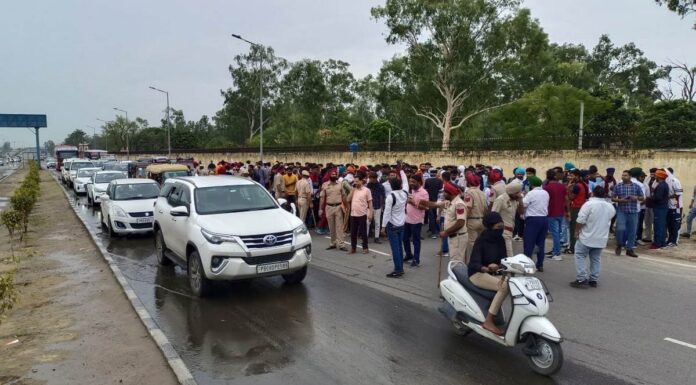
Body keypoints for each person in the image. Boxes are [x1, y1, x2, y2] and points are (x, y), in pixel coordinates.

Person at [468, 212, 509, 335]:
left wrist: (500, 265)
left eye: (502, 227)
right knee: (504, 286)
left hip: (494, 273)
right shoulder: (481, 241)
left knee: (514, 283)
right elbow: (474, 263)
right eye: (498, 227)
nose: (500, 230)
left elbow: (504, 259)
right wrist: (485, 268)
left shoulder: (500, 239)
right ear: (490, 227)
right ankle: (489, 321)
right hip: (477, 274)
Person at [570, 186, 616, 288]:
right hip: (601, 237)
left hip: (587, 236)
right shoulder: (610, 207)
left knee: (580, 255)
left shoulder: (588, 204)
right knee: (595, 258)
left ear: (593, 193)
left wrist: (576, 232)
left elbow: (580, 220)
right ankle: (593, 279)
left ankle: (581, 278)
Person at [420, 182, 467, 264]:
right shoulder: (449, 202)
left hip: (458, 237)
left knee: (456, 263)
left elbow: (461, 222)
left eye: (445, 192)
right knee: (454, 261)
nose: (443, 194)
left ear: (450, 193)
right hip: (453, 237)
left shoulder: (459, 204)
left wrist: (446, 232)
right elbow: (435, 204)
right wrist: (423, 202)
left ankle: (456, 276)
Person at [612, 170, 644, 258]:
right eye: (622, 175)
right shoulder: (618, 186)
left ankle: (629, 249)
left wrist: (636, 197)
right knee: (620, 229)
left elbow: (642, 198)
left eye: (625, 175)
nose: (623, 177)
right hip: (622, 210)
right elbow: (613, 198)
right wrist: (620, 200)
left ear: (630, 176)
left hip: (633, 211)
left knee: (632, 231)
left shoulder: (636, 186)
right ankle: (619, 244)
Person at [382, 178, 409, 278]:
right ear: (400, 185)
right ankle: (400, 268)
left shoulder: (390, 196)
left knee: (395, 249)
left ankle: (398, 270)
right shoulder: (405, 193)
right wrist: (401, 170)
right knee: (399, 247)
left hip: (392, 225)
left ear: (391, 186)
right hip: (401, 224)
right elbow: (406, 182)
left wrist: (383, 227)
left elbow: (387, 213)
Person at [522, 176, 549, 270]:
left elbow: (523, 204)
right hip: (544, 219)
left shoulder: (531, 193)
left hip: (533, 219)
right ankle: (540, 264)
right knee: (541, 243)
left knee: (529, 243)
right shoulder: (545, 193)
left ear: (531, 185)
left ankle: (527, 264)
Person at [491, 182, 524, 259]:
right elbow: (493, 215)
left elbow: (521, 213)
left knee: (502, 255)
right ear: (512, 193)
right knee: (509, 255)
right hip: (502, 231)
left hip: (510, 231)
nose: (520, 194)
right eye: (518, 193)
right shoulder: (501, 199)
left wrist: (521, 201)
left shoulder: (515, 200)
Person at [404, 175, 428, 266]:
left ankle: (416, 259)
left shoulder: (424, 193)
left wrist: (413, 203)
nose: (411, 183)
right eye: (410, 181)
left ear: (419, 182)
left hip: (416, 221)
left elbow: (425, 207)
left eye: (413, 182)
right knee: (405, 239)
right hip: (407, 219)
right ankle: (409, 255)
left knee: (415, 240)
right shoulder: (411, 190)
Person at [464, 172, 487, 263]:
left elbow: (468, 207)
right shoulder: (482, 193)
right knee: (480, 243)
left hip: (472, 221)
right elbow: (486, 208)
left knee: (472, 244)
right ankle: (481, 260)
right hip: (482, 220)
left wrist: (464, 221)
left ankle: (474, 263)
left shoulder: (468, 193)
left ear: (468, 182)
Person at [320, 170, 347, 251]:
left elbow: (344, 196)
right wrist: (320, 209)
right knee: (331, 227)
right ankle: (333, 243)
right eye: (332, 174)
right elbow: (322, 198)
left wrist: (346, 207)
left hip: (338, 207)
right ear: (329, 175)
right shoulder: (325, 185)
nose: (334, 175)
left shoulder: (340, 184)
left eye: (335, 174)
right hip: (329, 207)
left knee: (339, 227)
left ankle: (341, 244)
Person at [347, 173, 373, 254]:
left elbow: (370, 202)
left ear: (362, 181)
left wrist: (370, 213)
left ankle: (365, 248)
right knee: (353, 233)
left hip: (362, 214)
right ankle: (353, 248)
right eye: (354, 181)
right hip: (353, 214)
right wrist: (352, 190)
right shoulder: (353, 189)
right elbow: (348, 199)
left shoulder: (366, 190)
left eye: (357, 181)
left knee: (363, 232)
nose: (355, 183)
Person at [544, 168, 567, 260]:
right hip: (560, 212)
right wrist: (567, 211)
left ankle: (557, 253)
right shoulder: (562, 186)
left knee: (555, 234)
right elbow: (566, 199)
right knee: (558, 232)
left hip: (551, 212)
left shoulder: (547, 187)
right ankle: (555, 251)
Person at [649, 169, 670, 249]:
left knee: (658, 226)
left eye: (656, 176)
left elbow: (658, 197)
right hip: (663, 208)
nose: (655, 177)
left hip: (659, 208)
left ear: (659, 177)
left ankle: (657, 243)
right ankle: (662, 243)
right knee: (662, 226)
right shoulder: (664, 184)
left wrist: (650, 198)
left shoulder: (661, 186)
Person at [366, 172, 385, 244]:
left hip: (377, 206)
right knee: (368, 222)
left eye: (370, 178)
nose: (369, 179)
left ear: (374, 178)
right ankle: (366, 237)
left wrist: (382, 206)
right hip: (369, 207)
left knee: (377, 222)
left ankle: (376, 237)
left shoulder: (380, 186)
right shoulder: (368, 186)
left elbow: (382, 197)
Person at [666, 168, 683, 247]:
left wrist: (668, 197)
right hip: (669, 207)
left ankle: (674, 241)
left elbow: (678, 193)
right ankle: (670, 240)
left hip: (676, 207)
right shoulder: (667, 181)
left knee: (675, 224)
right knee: (669, 224)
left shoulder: (675, 181)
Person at [424, 168, 443, 239]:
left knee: (431, 217)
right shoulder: (439, 181)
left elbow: (425, 190)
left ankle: (434, 233)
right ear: (436, 173)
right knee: (437, 216)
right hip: (438, 201)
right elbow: (441, 191)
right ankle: (438, 230)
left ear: (430, 173)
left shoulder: (427, 180)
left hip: (430, 202)